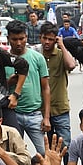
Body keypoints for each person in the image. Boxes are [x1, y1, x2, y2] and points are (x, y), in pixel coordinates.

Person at [4, 19, 50, 155]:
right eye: (14, 39)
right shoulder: (3, 59)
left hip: (35, 114)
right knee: (16, 155)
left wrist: (46, 117)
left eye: (21, 38)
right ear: (8, 39)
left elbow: (46, 88)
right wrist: (9, 82)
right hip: (13, 114)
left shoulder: (37, 58)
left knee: (44, 154)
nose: (18, 43)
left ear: (26, 37)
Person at [37, 21, 76, 146]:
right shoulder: (36, 57)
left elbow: (71, 65)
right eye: (45, 38)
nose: (47, 42)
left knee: (65, 146)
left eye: (51, 39)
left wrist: (62, 46)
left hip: (60, 109)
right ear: (40, 38)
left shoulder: (61, 55)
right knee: (47, 148)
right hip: (41, 110)